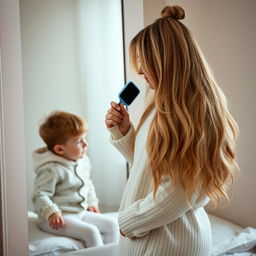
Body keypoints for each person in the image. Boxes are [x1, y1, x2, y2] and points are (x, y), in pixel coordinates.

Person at [105, 5, 238, 256]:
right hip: (153, 237)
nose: (140, 71)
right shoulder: (161, 108)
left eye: (144, 62)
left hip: (169, 243)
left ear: (165, 61)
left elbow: (181, 190)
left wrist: (130, 221)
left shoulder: (192, 113)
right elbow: (152, 169)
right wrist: (124, 132)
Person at [32, 111, 119, 248]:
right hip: (56, 218)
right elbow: (39, 195)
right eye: (79, 141)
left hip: (79, 212)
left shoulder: (82, 161)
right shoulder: (51, 169)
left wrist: (91, 202)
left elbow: (88, 184)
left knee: (112, 224)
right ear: (60, 149)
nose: (85, 144)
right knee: (91, 232)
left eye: (85, 138)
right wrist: (51, 212)